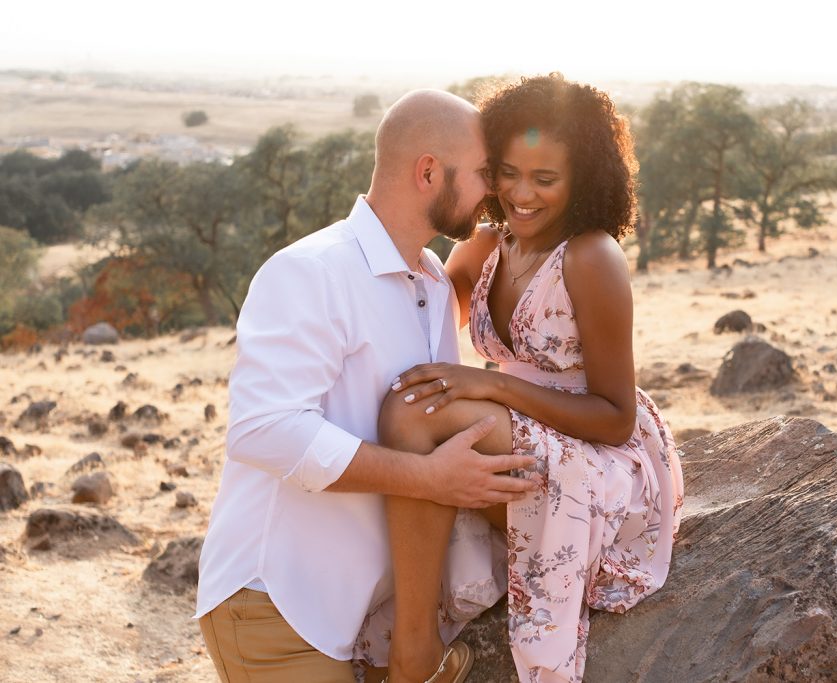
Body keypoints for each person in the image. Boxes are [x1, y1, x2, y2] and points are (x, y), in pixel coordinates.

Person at [194, 89, 539, 683]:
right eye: (485, 174)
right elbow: (263, 430)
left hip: (362, 617)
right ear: (429, 172)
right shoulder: (311, 271)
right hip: (279, 606)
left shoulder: (430, 280)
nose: (496, 192)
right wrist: (428, 478)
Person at [378, 74, 685, 683]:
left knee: (417, 414)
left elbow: (616, 417)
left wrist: (494, 386)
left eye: (545, 179)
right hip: (520, 439)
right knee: (406, 406)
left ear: (583, 181)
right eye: (507, 173)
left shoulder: (590, 257)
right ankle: (413, 642)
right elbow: (416, 313)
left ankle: (412, 656)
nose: (522, 194)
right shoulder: (487, 246)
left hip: (601, 460)